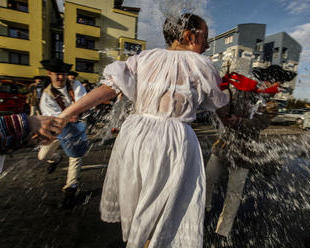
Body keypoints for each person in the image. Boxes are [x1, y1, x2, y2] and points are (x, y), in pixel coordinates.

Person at [57, 13, 229, 248]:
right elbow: (221, 107)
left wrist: (67, 114)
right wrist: (235, 115)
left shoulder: (144, 58)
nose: (208, 45)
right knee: (165, 209)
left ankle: (143, 241)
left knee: (141, 201)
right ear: (189, 36)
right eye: (205, 38)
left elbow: (108, 88)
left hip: (135, 135)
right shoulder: (202, 65)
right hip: (171, 140)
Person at [205, 72, 279, 238]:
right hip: (223, 146)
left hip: (244, 153)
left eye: (272, 83)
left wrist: (238, 121)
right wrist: (222, 103)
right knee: (207, 178)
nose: (269, 85)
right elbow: (222, 108)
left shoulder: (271, 105)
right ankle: (204, 206)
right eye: (267, 81)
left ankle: (223, 230)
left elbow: (260, 124)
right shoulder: (240, 91)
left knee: (234, 192)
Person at [37, 59, 87, 202]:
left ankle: (71, 187)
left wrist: (75, 114)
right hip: (56, 129)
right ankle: (56, 158)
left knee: (75, 156)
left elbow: (83, 102)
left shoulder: (75, 85)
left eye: (63, 74)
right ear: (49, 74)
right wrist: (71, 114)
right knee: (43, 156)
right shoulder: (46, 96)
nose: (61, 77)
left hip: (75, 127)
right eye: (57, 74)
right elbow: (56, 118)